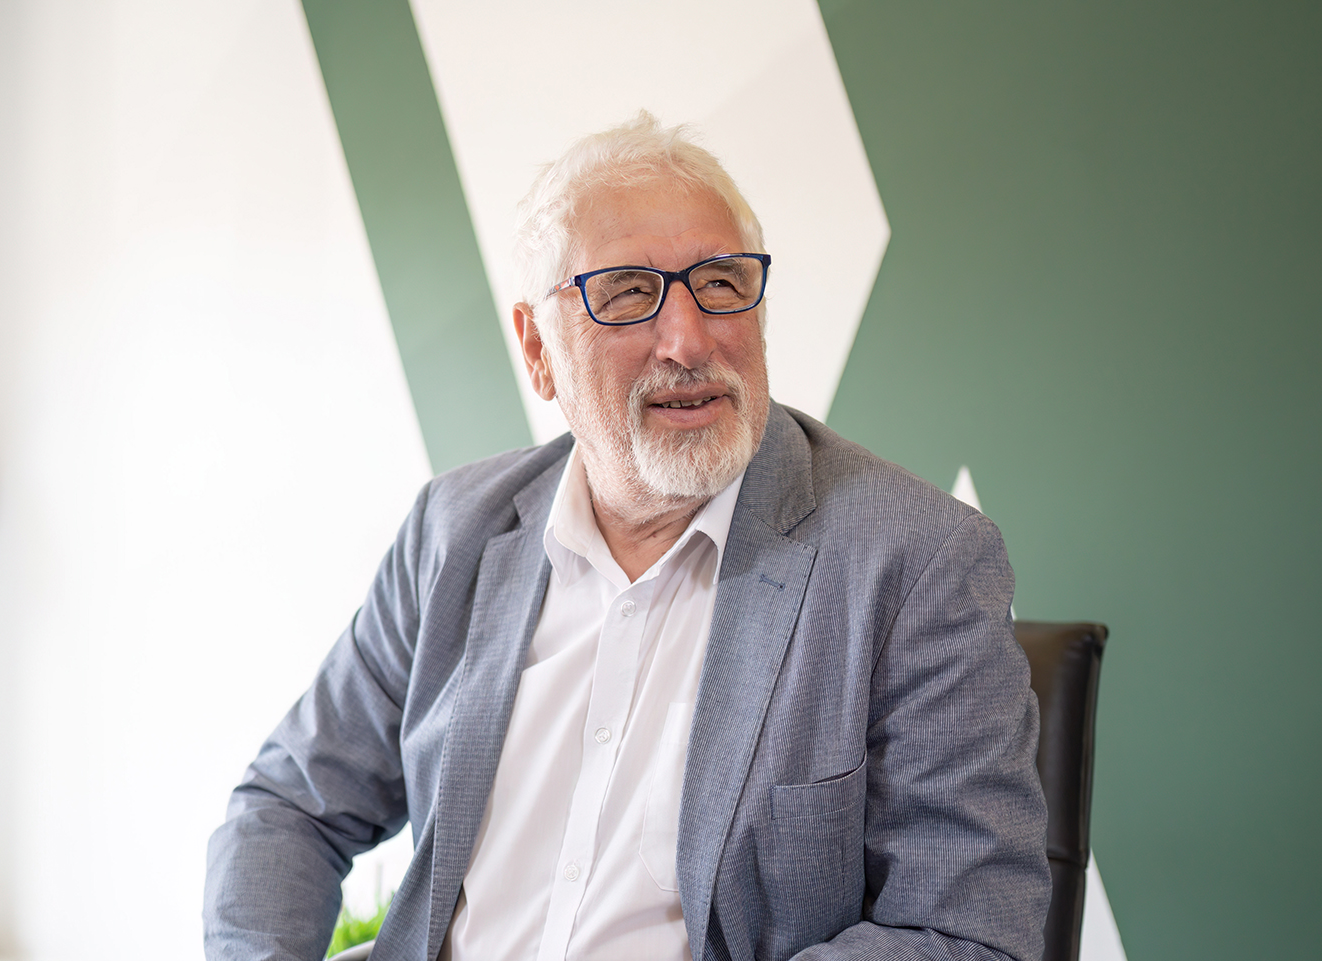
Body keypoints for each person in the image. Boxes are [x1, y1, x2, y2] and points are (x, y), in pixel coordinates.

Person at [204, 113, 1050, 961]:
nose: (688, 340)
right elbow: (287, 803)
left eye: (720, 283)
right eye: (627, 293)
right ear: (538, 349)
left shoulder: (914, 562)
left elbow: (964, 931)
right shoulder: (452, 532)